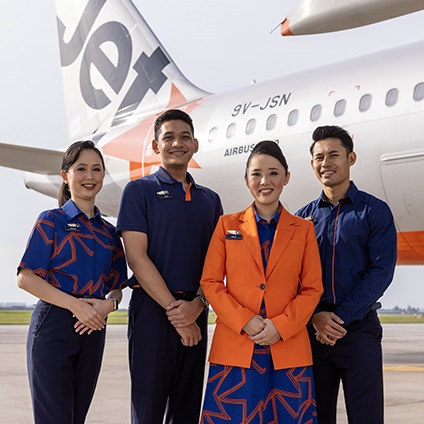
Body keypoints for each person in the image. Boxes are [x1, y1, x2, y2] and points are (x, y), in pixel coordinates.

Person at [200, 140, 323, 423]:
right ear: (246, 180)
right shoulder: (226, 225)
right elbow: (211, 282)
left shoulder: (303, 230)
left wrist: (280, 326)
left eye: (273, 173)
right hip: (236, 346)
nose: (264, 181)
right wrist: (245, 320)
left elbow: (312, 288)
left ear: (286, 178)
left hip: (288, 349)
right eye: (256, 174)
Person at [116, 109, 223, 424]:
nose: (178, 143)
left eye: (185, 137)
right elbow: (136, 257)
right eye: (169, 137)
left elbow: (216, 262)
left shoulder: (210, 200)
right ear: (155, 146)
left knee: (187, 409)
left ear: (196, 145)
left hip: (196, 310)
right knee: (147, 410)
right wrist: (177, 314)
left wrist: (198, 305)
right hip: (153, 312)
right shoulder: (139, 191)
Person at [17, 140, 128, 424]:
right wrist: (76, 306)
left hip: (93, 329)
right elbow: (26, 278)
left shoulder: (109, 232)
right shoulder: (50, 221)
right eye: (81, 169)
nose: (89, 177)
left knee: (76, 418)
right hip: (54, 325)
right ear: (65, 175)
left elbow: (116, 286)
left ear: (104, 176)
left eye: (96, 169)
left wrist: (109, 305)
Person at [296, 125, 397, 424]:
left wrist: (338, 319)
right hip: (313, 334)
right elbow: (293, 276)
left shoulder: (374, 212)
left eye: (333, 155)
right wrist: (316, 315)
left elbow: (380, 272)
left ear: (351, 158)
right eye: (318, 156)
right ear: (312, 164)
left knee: (366, 418)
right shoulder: (302, 219)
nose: (325, 162)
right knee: (315, 418)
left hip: (358, 333)